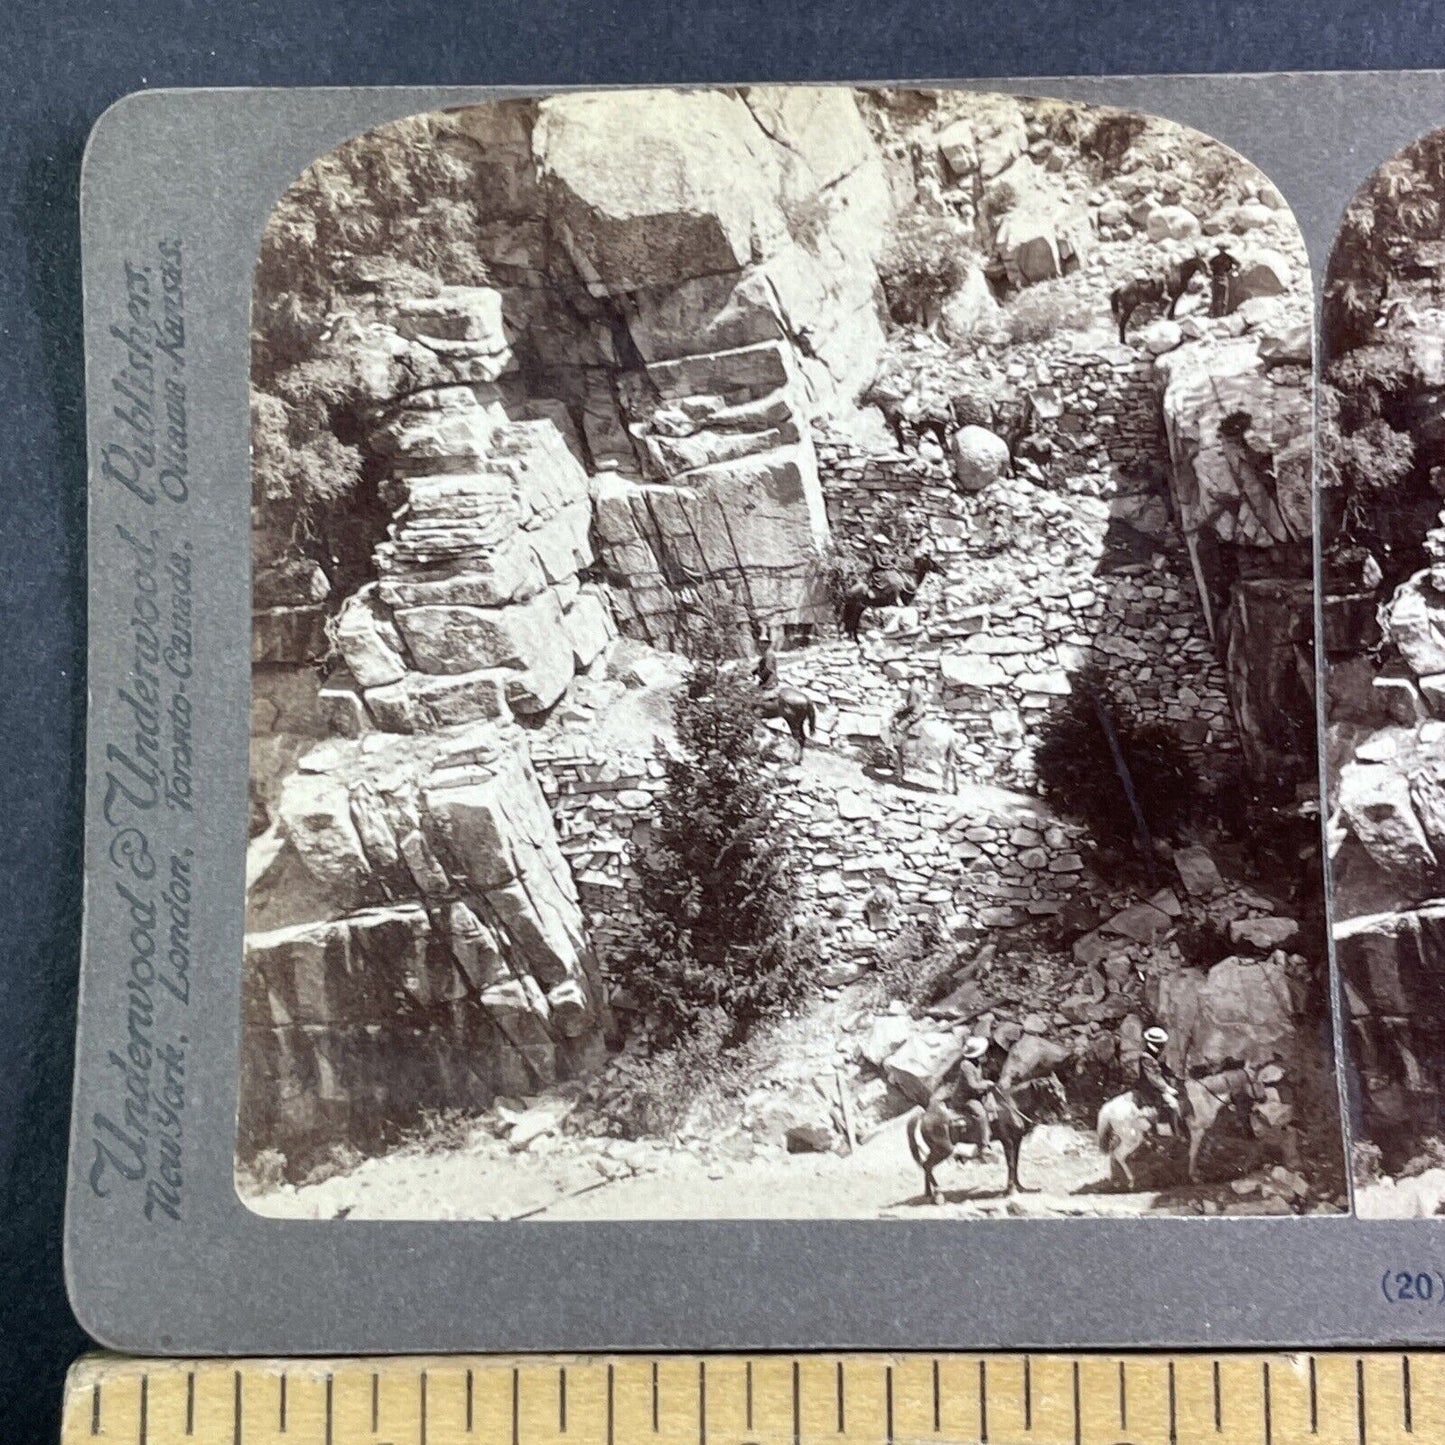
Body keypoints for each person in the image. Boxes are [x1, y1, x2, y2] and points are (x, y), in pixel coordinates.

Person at [953, 1036, 999, 1153]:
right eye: (983, 1053)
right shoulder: (966, 1065)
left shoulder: (977, 1064)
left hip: (976, 1094)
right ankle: (984, 1144)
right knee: (981, 1113)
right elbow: (973, 1084)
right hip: (965, 1098)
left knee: (993, 1105)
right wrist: (986, 1084)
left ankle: (994, 1133)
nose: (985, 1055)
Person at [1137, 1025, 1184, 1136]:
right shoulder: (1146, 1057)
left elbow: (1163, 1067)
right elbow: (1153, 1078)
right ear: (1156, 1043)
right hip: (1149, 1087)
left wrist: (1177, 1076)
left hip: (1157, 1084)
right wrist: (1167, 1089)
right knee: (1173, 1104)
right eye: (1162, 1043)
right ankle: (1172, 1133)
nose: (1163, 1045)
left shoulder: (1155, 1053)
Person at [1207, 242, 1239, 318]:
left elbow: (1238, 264)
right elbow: (1208, 265)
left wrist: (1232, 271)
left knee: (1221, 297)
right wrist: (1232, 271)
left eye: (1223, 249)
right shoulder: (1224, 258)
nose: (1222, 251)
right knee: (1218, 297)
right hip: (1219, 278)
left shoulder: (1219, 258)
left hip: (1221, 278)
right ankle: (1218, 314)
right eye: (1221, 249)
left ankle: (1220, 314)